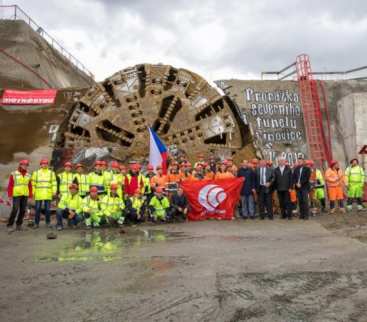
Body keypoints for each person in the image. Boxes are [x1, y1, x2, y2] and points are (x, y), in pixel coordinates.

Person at [7, 159, 32, 232]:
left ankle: (19, 225)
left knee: (23, 210)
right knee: (15, 209)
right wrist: (10, 195)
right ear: (20, 165)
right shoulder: (14, 173)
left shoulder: (28, 175)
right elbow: (10, 185)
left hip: (25, 194)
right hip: (16, 194)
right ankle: (10, 225)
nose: (25, 166)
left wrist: (30, 195)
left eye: (26, 165)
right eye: (24, 165)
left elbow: (30, 186)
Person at [32, 159, 57, 228]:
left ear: (47, 165)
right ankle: (36, 223)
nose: (44, 165)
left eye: (46, 164)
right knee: (37, 209)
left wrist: (54, 191)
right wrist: (33, 191)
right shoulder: (36, 173)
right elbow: (33, 183)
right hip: (38, 194)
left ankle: (48, 223)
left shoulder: (51, 173)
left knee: (47, 210)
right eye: (43, 164)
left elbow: (54, 183)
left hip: (47, 193)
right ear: (40, 165)